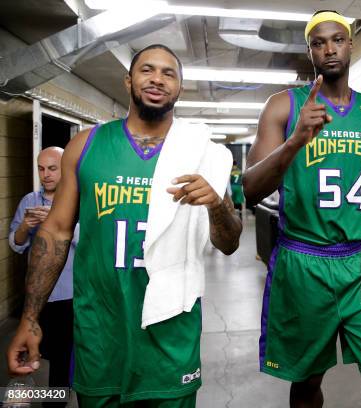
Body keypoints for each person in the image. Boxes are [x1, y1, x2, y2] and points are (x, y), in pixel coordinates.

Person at [6, 44, 242, 407]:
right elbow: (55, 233)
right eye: (148, 70)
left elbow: (228, 243)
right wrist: (31, 318)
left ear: (179, 87)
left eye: (169, 73)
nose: (158, 79)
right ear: (128, 80)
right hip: (101, 330)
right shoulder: (87, 145)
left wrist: (216, 205)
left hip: (170, 330)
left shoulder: (202, 152)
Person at [243, 10, 361, 408]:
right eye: (319, 42)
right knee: (307, 386)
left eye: (337, 39)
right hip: (304, 260)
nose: (329, 49)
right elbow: (251, 189)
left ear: (351, 43)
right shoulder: (283, 107)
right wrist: (295, 140)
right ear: (309, 51)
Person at [8, 146, 76, 407]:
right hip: (37, 297)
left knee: (61, 359)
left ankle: (55, 403)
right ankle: (18, 398)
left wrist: (58, 223)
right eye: (41, 168)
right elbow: (16, 243)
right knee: (29, 353)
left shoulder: (77, 201)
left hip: (68, 294)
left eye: (52, 168)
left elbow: (91, 243)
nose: (46, 174)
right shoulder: (29, 201)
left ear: (65, 168)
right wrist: (26, 226)